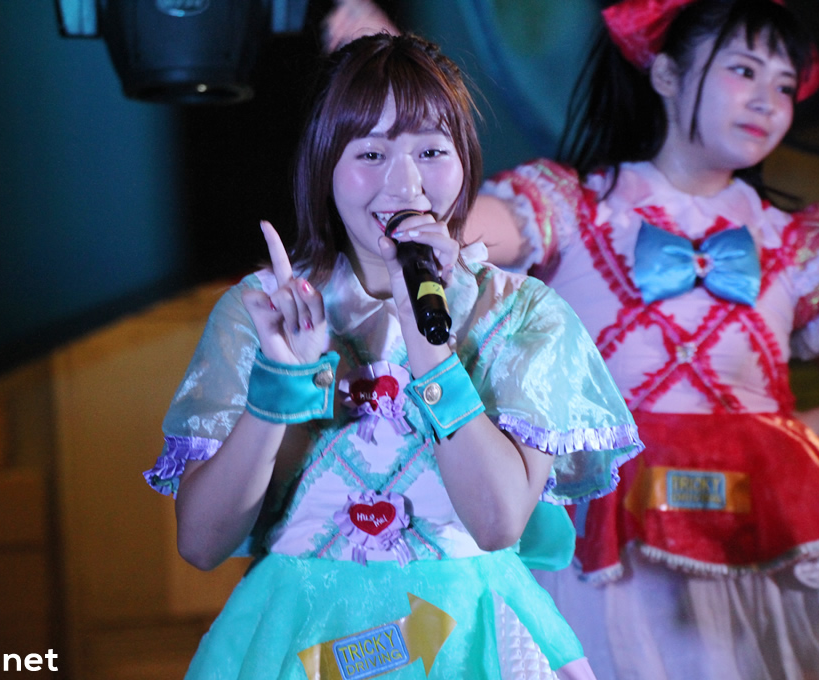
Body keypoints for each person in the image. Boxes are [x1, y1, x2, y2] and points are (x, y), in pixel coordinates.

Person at [143, 32, 643, 680]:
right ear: (325, 165)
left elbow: (497, 524)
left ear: (465, 160)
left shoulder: (521, 313)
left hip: (473, 640)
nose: (405, 183)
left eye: (431, 151)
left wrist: (430, 346)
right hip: (298, 634)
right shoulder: (261, 311)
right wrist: (281, 384)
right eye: (371, 153)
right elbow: (201, 544)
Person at [462, 1, 819, 678]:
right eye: (744, 70)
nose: (766, 101)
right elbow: (454, 234)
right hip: (601, 538)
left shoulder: (797, 244)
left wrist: (793, 443)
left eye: (784, 85)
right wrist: (404, 123)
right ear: (667, 74)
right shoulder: (571, 207)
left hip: (757, 537)